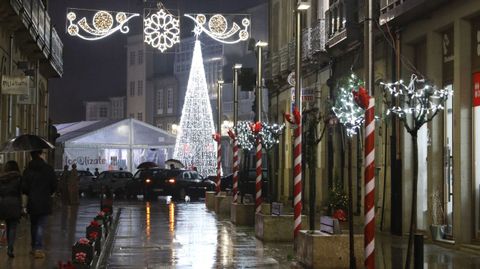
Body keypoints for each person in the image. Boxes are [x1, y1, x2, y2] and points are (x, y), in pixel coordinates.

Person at [22, 150, 57, 259]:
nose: (45, 155)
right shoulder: (48, 169)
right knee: (41, 225)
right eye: (44, 153)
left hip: (32, 201)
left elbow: (24, 188)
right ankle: (38, 248)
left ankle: (33, 247)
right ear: (40, 155)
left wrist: (31, 193)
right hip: (45, 201)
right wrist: (48, 193)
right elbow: (54, 185)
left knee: (34, 225)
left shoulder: (27, 170)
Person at [0, 160, 22, 258]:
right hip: (14, 204)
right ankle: (10, 248)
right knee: (12, 227)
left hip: (3, 204)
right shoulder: (18, 178)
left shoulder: (1, 178)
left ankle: (7, 245)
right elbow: (20, 192)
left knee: (5, 225)